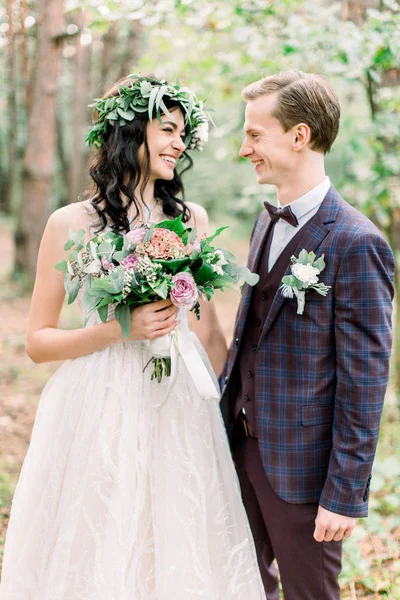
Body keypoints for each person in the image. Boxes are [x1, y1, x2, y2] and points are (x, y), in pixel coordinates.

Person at [0, 75, 266, 599]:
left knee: (176, 528)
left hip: (178, 400)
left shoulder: (192, 220)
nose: (178, 143)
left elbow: (208, 330)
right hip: (100, 401)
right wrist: (119, 328)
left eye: (183, 133)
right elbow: (37, 341)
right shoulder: (70, 223)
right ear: (130, 132)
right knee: (103, 530)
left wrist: (234, 407)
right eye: (167, 129)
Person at [220, 71, 395, 599]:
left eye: (255, 134)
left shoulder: (357, 242)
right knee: (242, 585)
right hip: (241, 449)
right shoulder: (265, 221)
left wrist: (344, 493)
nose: (244, 147)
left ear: (299, 137)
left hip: (305, 470)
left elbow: (364, 385)